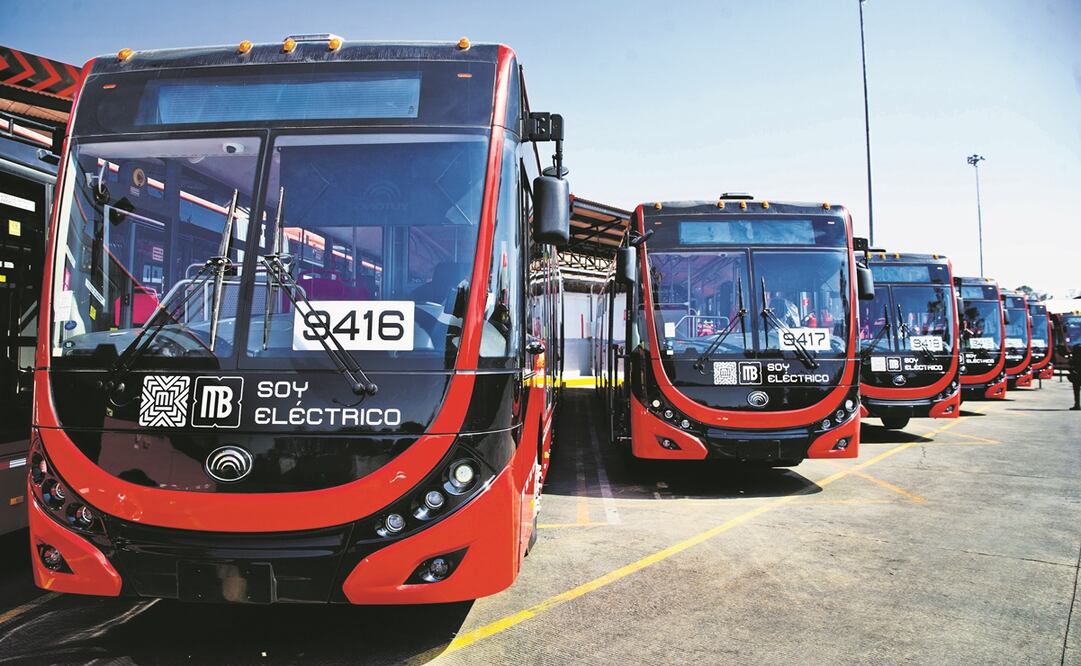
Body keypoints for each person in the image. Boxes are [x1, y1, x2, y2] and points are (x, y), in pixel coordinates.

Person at [1069, 343, 1081, 411]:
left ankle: (1077, 404)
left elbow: (1070, 364)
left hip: (1076, 374)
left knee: (1076, 391)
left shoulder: (1075, 356)